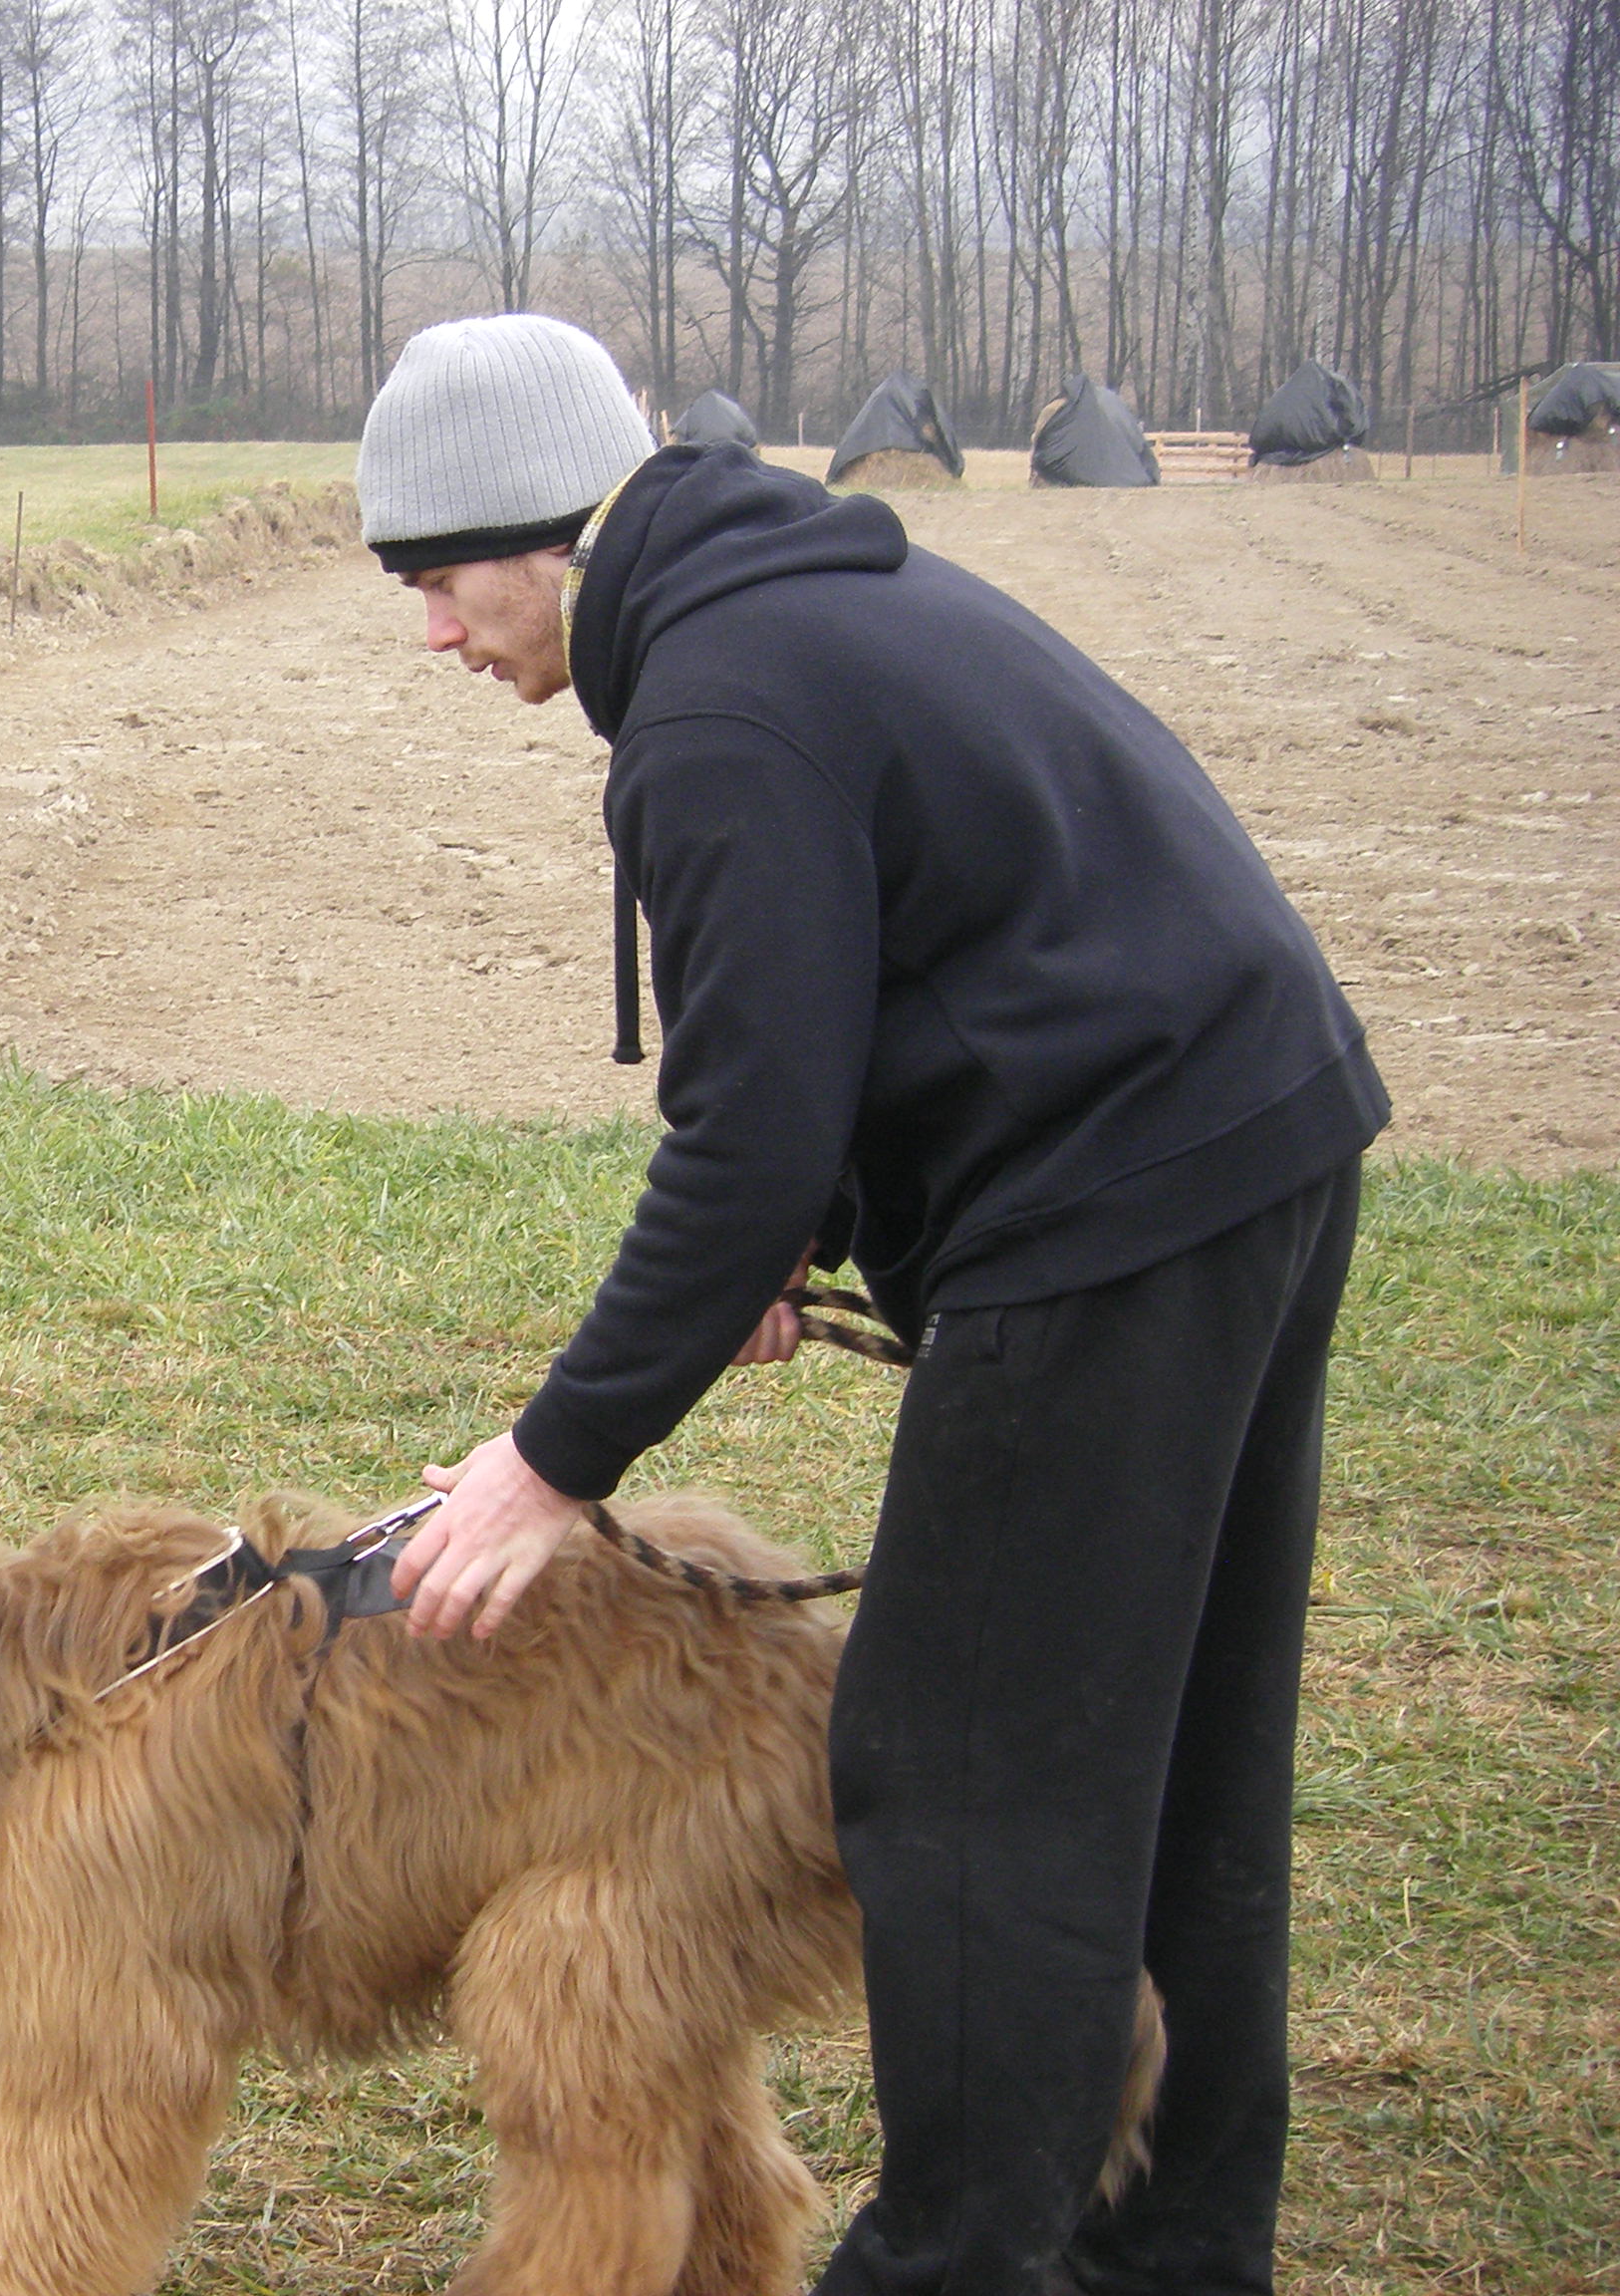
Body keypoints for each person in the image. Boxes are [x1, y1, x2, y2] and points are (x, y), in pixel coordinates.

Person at [362, 315, 1389, 2296]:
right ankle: (1170, 2254)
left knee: (966, 1774)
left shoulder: (719, 713)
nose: (428, 634)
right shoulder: (785, 620)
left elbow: (742, 1135)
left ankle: (961, 2259)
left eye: (431, 580)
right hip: (1258, 1132)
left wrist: (548, 1467)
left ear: (537, 536)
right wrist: (801, 1226)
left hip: (1110, 1209)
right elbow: (879, 984)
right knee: (1168, 1753)